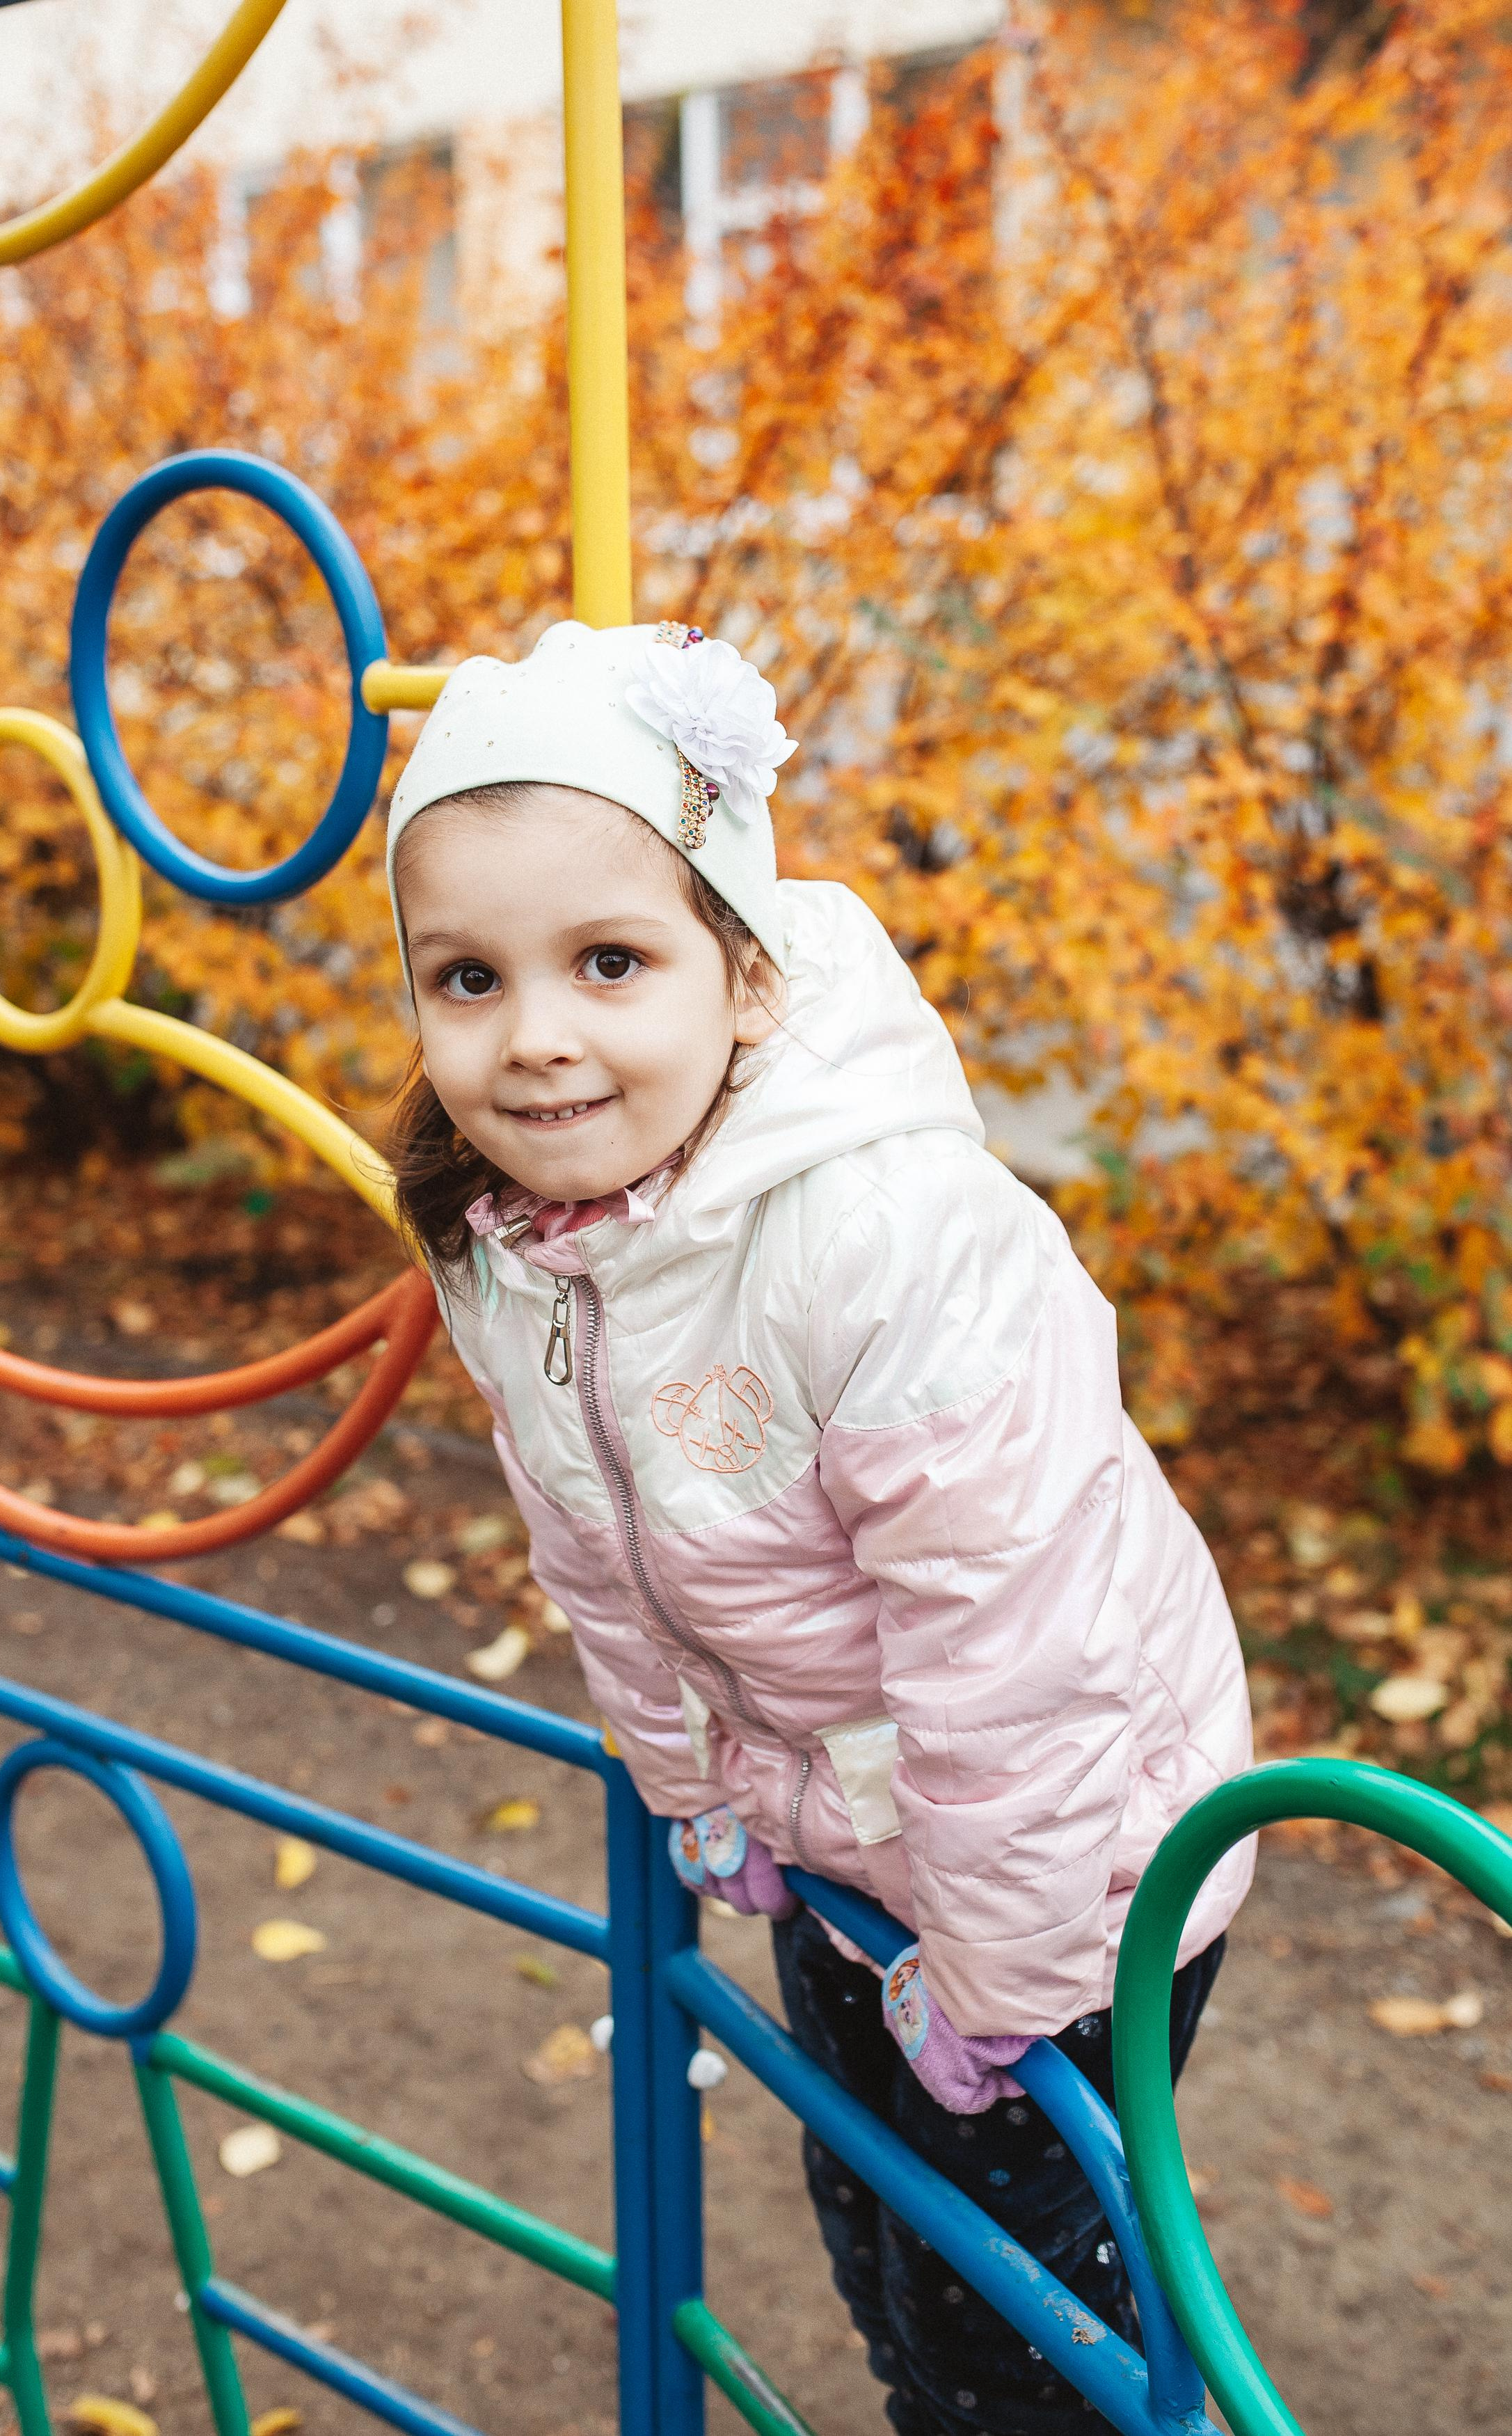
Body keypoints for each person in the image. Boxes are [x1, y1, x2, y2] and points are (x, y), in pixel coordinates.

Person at [383, 616, 1253, 2436]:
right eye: (467, 977)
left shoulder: (887, 1237)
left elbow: (1016, 1637)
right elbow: (589, 1545)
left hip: (1071, 1870)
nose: (535, 1038)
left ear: (746, 973)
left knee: (1014, 2340)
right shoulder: (515, 1243)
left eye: (609, 961)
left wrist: (1003, 1974)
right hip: (838, 1831)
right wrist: (695, 1784)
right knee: (875, 2244)